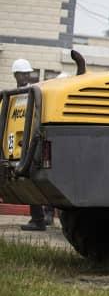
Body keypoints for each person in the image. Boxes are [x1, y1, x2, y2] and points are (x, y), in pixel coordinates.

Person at [10, 59, 53, 232]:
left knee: (31, 179)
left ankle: (39, 219)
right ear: (15, 75)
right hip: (18, 143)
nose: (26, 76)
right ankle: (38, 218)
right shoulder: (14, 95)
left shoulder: (34, 93)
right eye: (23, 73)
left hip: (31, 143)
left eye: (28, 73)